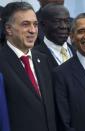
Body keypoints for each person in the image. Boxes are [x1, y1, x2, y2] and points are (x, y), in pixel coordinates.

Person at [0, 2, 56, 131]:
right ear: (8, 29)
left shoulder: (45, 60)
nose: (32, 30)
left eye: (35, 24)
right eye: (25, 24)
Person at [34, 3, 75, 69]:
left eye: (66, 21)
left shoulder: (78, 52)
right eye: (57, 21)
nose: (63, 26)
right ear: (42, 25)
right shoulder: (34, 56)